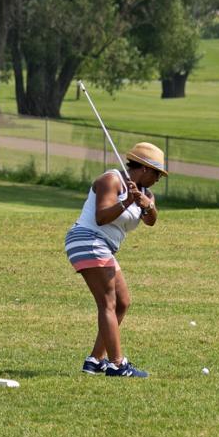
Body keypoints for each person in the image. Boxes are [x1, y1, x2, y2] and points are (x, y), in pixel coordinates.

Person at [63, 141, 166, 378]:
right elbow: (101, 217)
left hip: (104, 247)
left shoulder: (147, 193)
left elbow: (152, 220)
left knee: (123, 302)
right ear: (144, 169)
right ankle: (117, 364)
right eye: (157, 174)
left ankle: (95, 360)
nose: (158, 179)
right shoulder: (110, 180)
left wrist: (147, 205)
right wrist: (127, 201)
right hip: (88, 240)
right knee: (108, 303)